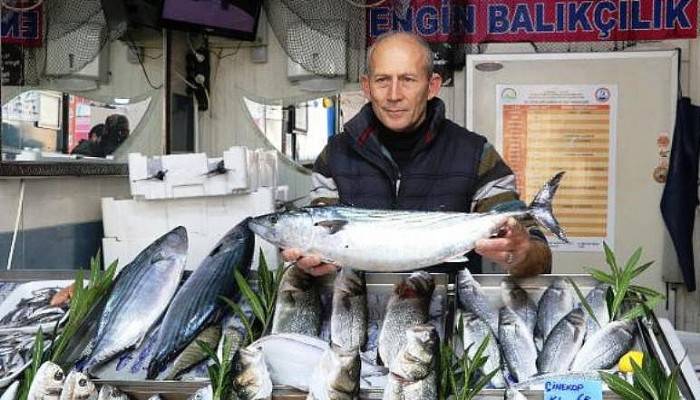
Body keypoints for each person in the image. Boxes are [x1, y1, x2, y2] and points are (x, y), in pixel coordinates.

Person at [283, 32, 552, 277]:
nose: (394, 94)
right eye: (382, 80)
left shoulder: (475, 154)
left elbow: (539, 257)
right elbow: (321, 232)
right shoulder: (335, 156)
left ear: (432, 86)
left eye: (408, 79)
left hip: (447, 318)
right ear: (366, 87)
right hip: (360, 314)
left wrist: (522, 251)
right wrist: (313, 262)